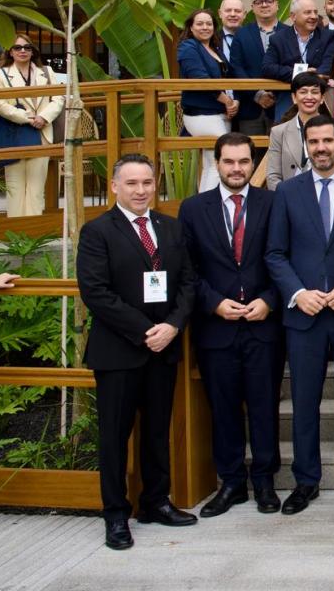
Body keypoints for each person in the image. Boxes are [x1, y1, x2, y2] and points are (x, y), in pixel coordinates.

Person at [78, 154, 198, 550]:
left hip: (162, 350)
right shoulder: (97, 232)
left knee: (156, 432)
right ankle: (115, 515)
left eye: (147, 182)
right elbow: (96, 292)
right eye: (131, 183)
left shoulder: (170, 227)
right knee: (114, 437)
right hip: (118, 353)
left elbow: (187, 283)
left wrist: (172, 326)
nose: (141, 190)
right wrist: (146, 330)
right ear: (114, 186)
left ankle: (155, 502)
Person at [265, 115, 334, 516]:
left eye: (327, 140)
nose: (321, 148)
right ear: (306, 145)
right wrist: (297, 293)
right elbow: (274, 253)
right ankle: (305, 480)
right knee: (305, 401)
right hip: (305, 316)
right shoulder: (288, 192)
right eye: (313, 142)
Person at [177, 132, 282, 518]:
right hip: (216, 328)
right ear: (216, 163)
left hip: (263, 326)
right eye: (228, 162)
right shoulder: (192, 209)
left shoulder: (273, 204)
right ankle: (233, 483)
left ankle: (266, 481)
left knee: (264, 406)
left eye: (243, 162)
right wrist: (213, 303)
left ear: (253, 163)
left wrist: (269, 301)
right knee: (223, 409)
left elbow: (284, 258)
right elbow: (187, 270)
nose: (236, 169)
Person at [0, 36, 63, 217]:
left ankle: (33, 235)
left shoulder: (46, 72)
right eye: (17, 47)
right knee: (15, 187)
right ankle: (16, 236)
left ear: (33, 51)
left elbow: (58, 98)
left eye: (27, 47)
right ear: (10, 52)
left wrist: (44, 117)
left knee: (36, 189)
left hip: (42, 133)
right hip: (14, 134)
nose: (22, 51)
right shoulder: (0, 74)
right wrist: (29, 118)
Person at [177, 8, 240, 192]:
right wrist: (227, 101)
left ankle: (203, 206)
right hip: (201, 114)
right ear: (190, 27)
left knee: (211, 162)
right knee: (220, 161)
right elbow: (200, 79)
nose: (205, 27)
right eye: (200, 23)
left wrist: (234, 101)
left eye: (209, 23)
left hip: (220, 113)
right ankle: (209, 209)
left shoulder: (214, 48)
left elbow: (227, 80)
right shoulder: (188, 47)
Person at [263, 0, 334, 121]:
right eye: (308, 12)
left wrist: (310, 79)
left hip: (318, 94)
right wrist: (300, 74)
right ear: (293, 17)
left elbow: (329, 65)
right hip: (288, 95)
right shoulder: (278, 39)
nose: (314, 16)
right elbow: (268, 68)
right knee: (284, 132)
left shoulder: (328, 36)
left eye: (315, 12)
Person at [229, 0, 286, 139]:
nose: (264, 5)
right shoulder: (241, 34)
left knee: (283, 154)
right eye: (258, 2)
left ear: (277, 4)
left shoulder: (289, 32)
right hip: (250, 107)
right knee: (251, 154)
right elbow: (236, 67)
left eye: (269, 1)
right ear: (253, 7)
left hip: (282, 105)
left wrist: (273, 93)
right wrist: (257, 94)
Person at [265, 72, 326, 191]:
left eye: (314, 92)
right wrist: (290, 200)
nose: (309, 97)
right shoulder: (278, 132)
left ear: (322, 98)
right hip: (289, 200)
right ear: (294, 97)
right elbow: (273, 177)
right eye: (303, 92)